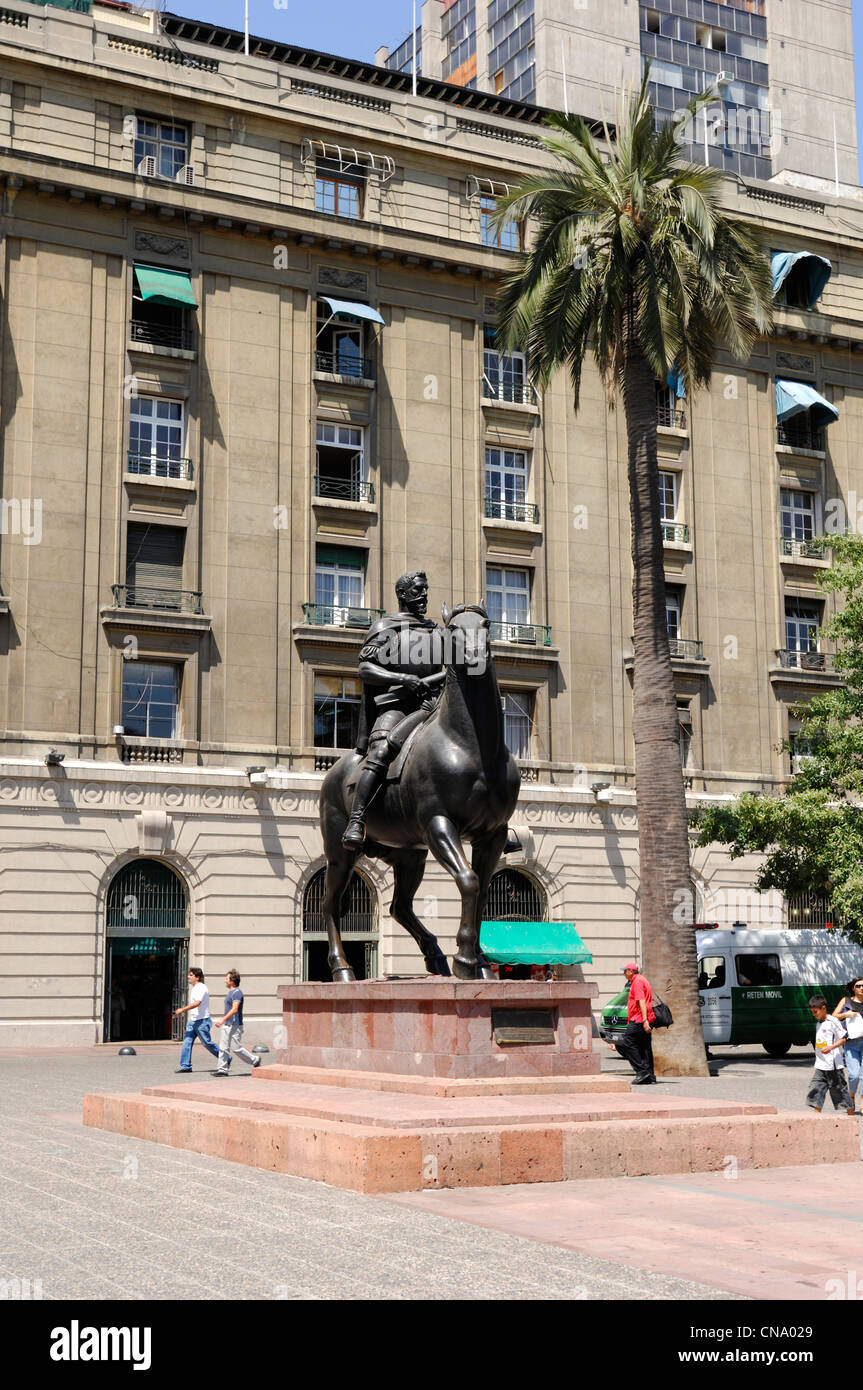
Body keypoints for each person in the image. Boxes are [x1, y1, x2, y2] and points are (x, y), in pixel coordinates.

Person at [341, 570, 446, 848]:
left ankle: (492, 824)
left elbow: (457, 668)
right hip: (398, 706)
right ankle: (357, 819)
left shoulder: (437, 631)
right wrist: (402, 679)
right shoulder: (386, 628)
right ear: (402, 594)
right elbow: (365, 668)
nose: (424, 595)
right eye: (418, 590)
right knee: (382, 750)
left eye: (426, 589)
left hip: (433, 705)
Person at [807, 994, 854, 1116]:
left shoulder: (833, 1021)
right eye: (812, 1012)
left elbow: (844, 1038)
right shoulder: (819, 1023)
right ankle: (816, 1116)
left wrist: (831, 1048)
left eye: (815, 1011)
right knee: (816, 1088)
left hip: (833, 1065)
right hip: (821, 1064)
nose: (814, 1014)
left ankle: (850, 1114)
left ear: (823, 1008)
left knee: (839, 1090)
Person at [212, 969, 262, 1077]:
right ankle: (222, 1069)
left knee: (236, 1048)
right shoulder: (231, 993)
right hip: (228, 1024)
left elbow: (235, 1009)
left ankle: (255, 1059)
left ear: (232, 980)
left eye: (227, 979)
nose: (225, 981)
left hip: (234, 1024)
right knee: (223, 1047)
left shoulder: (237, 993)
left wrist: (222, 1019)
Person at [616, 960, 656, 1085]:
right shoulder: (641, 979)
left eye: (625, 971)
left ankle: (642, 1071)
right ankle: (650, 1075)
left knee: (627, 1042)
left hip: (639, 1019)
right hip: (643, 1018)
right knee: (644, 1047)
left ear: (631, 971)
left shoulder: (637, 982)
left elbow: (641, 1001)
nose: (623, 973)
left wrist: (644, 1020)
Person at [173, 966, 221, 1073]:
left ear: (197, 977)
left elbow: (197, 1003)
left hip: (202, 1021)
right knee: (187, 1042)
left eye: (191, 975)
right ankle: (186, 1066)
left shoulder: (201, 987)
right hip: (193, 1021)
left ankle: (225, 1058)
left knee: (207, 1043)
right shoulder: (195, 988)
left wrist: (182, 1009)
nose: (188, 977)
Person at [832, 978, 863, 1113]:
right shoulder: (846, 1001)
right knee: (854, 1075)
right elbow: (833, 1016)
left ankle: (862, 1101)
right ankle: (851, 1095)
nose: (861, 988)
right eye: (858, 986)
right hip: (851, 1042)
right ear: (853, 988)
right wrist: (846, 1014)